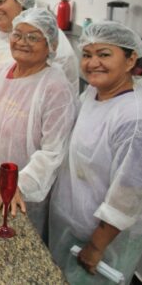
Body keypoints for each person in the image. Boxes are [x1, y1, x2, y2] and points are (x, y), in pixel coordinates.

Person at [49, 22, 142, 284]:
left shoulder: (133, 118)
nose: (93, 63)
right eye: (87, 55)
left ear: (130, 59)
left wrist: (97, 246)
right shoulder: (93, 92)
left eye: (104, 54)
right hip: (71, 219)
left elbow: (129, 193)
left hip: (104, 241)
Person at [0, 8, 77, 240]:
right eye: (17, 34)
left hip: (21, 193)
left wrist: (18, 185)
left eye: (33, 37)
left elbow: (53, 151)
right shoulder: (4, 71)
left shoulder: (54, 88)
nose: (22, 42)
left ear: (51, 45)